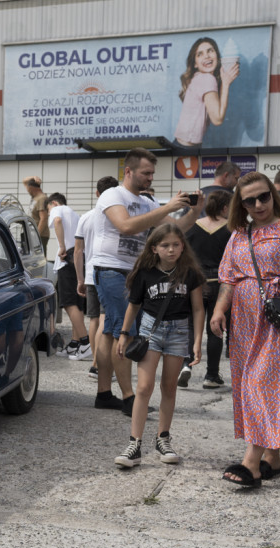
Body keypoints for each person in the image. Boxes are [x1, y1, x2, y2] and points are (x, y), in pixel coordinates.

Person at [213, 172, 280, 487]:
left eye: (264, 196)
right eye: (250, 200)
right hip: (245, 320)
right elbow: (229, 277)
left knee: (264, 382)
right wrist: (220, 309)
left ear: (274, 194)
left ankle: (251, 463)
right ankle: (271, 457)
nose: (258, 204)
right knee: (253, 382)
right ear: (241, 203)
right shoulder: (239, 233)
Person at [91, 147, 202, 416]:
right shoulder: (112, 194)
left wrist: (195, 212)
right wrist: (168, 207)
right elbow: (126, 226)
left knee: (110, 332)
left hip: (131, 273)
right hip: (111, 270)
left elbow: (176, 230)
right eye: (146, 173)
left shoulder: (147, 203)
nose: (151, 177)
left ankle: (104, 393)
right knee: (124, 332)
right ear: (128, 171)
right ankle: (130, 398)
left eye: (153, 173)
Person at [115, 225, 205, 468]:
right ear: (154, 248)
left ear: (182, 246)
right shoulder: (145, 273)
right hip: (150, 331)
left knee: (169, 387)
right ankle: (134, 444)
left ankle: (163, 438)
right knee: (144, 387)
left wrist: (197, 342)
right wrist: (124, 334)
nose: (171, 249)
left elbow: (198, 308)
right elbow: (133, 305)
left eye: (176, 244)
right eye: (165, 245)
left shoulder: (190, 273)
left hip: (178, 332)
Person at [184, 189, 234, 388]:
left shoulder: (192, 227)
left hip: (194, 282)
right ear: (224, 207)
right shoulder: (231, 229)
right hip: (220, 283)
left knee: (189, 327)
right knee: (215, 329)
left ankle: (186, 365)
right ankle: (211, 375)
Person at [74, 175, 120, 378]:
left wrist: (80, 278)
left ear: (96, 193)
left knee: (94, 319)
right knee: (105, 319)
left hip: (91, 274)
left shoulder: (86, 217)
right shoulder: (119, 216)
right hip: (112, 273)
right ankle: (99, 364)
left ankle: (94, 362)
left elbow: (77, 251)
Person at [173, 36, 239, 150]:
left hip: (182, 146)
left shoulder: (198, 78)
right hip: (185, 149)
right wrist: (226, 84)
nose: (207, 56)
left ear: (217, 56)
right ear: (195, 64)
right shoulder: (207, 79)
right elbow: (217, 119)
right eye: (200, 54)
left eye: (210, 51)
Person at [46, 192, 89, 359]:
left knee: (69, 302)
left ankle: (85, 342)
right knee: (76, 304)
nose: (49, 213)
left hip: (67, 259)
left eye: (48, 209)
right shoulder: (75, 214)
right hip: (79, 259)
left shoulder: (58, 210)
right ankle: (74, 343)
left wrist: (62, 246)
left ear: (54, 203)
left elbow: (57, 221)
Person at [23, 176, 49, 251]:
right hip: (32, 234)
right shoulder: (35, 197)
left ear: (31, 188)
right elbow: (24, 181)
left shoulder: (42, 198)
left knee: (39, 259)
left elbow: (44, 218)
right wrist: (34, 177)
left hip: (40, 235)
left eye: (28, 189)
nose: (28, 191)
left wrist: (37, 236)